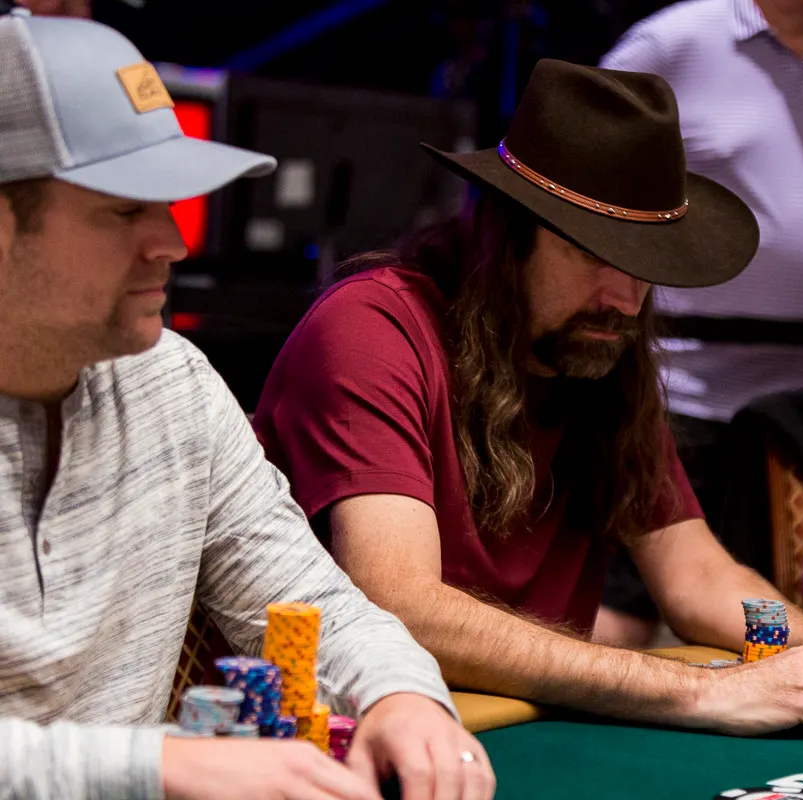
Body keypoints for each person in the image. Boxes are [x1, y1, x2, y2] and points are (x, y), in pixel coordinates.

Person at [253, 58, 803, 743]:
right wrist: (703, 691)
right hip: (352, 739)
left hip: (531, 729)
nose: (624, 299)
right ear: (508, 232)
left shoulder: (600, 353)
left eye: (645, 264)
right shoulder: (372, 328)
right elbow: (400, 604)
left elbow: (697, 576)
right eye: (594, 253)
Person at [0, 12, 493, 800]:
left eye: (168, 203)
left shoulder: (173, 383)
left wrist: (400, 697)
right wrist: (161, 765)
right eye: (126, 210)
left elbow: (313, 602)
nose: (172, 242)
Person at [593, 0, 803, 645]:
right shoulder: (672, 42)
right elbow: (579, 189)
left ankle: (784, 690)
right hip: (684, 392)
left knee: (759, 608)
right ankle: (563, 705)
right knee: (626, 607)